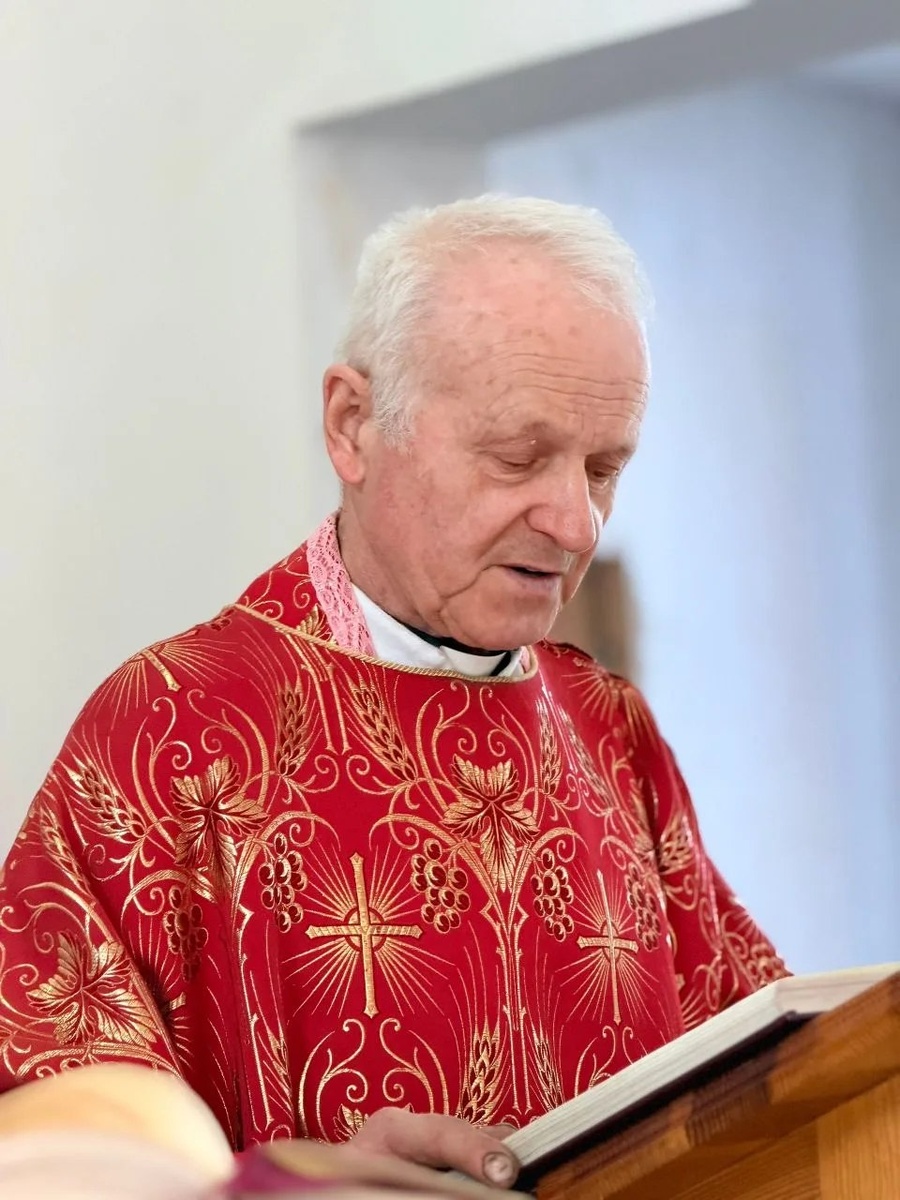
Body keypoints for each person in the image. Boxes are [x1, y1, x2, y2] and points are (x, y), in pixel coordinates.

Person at [0, 195, 786, 1189]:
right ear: (354, 425)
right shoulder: (174, 731)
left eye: (603, 468)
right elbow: (53, 1144)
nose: (577, 522)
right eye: (518, 458)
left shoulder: (610, 729)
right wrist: (292, 1182)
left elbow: (773, 1081)